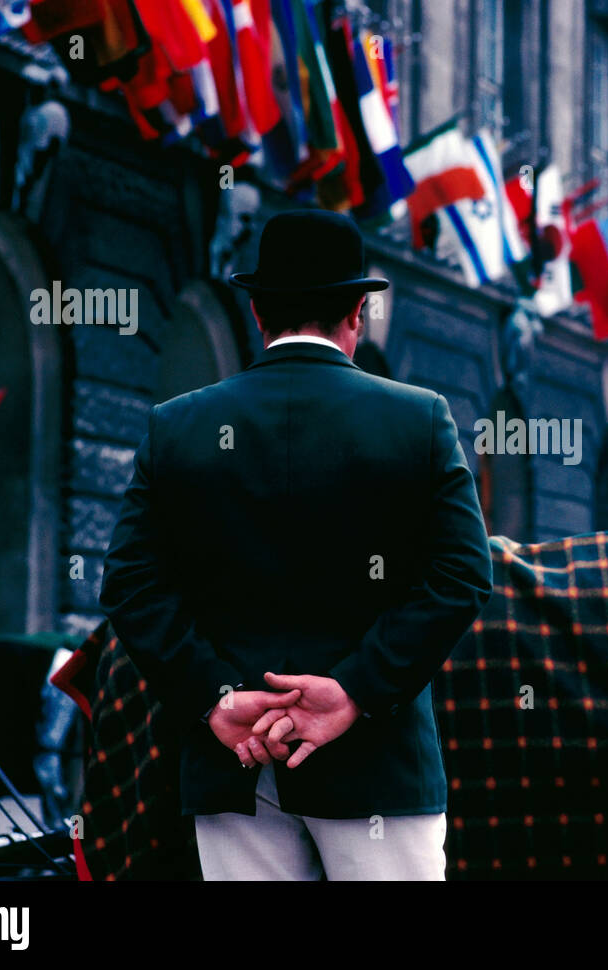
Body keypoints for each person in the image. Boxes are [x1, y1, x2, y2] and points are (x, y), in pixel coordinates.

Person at [99, 209, 493, 880]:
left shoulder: (178, 426)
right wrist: (353, 690)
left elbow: (129, 585)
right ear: (356, 314)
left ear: (258, 314)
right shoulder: (420, 418)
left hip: (235, 765)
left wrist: (216, 698)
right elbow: (461, 575)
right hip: (379, 771)